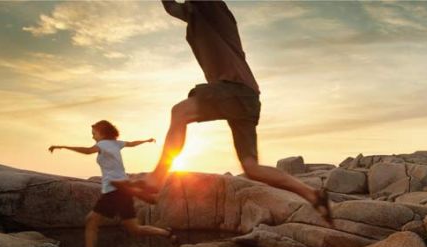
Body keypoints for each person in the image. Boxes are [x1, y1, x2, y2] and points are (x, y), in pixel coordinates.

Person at [142, 0, 332, 223]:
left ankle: (156, 180)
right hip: (245, 96)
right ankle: (314, 196)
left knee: (180, 112)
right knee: (252, 168)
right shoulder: (195, 14)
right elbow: (172, 8)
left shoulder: (212, 6)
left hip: (235, 88)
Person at [49, 120, 176, 247]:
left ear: (102, 133)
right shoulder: (116, 143)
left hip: (113, 190)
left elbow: (88, 151)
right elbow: (132, 143)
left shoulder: (102, 144)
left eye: (94, 133)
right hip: (122, 190)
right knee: (134, 229)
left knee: (91, 221)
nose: (92, 137)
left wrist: (62, 147)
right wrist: (146, 140)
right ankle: (166, 233)